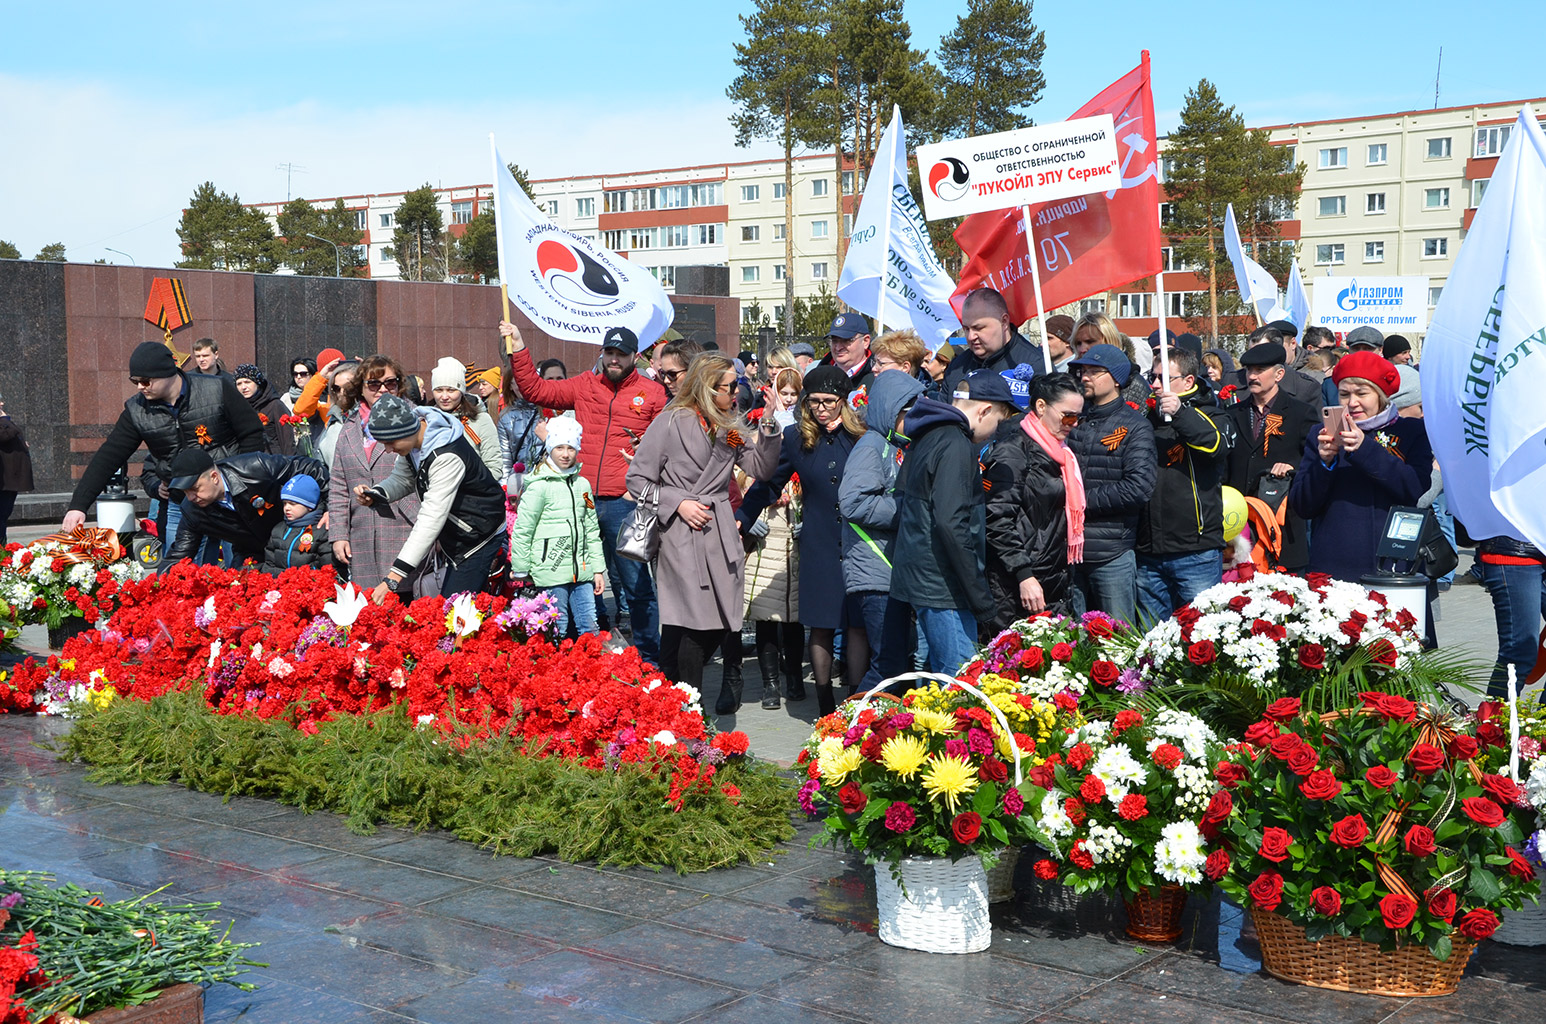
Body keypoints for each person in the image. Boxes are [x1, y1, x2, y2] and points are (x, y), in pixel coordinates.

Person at [502, 320, 667, 666]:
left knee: (637, 588)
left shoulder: (653, 394)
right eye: (609, 352)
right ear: (602, 353)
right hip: (581, 503)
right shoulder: (585, 384)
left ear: (634, 357)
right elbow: (535, 390)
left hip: (626, 505)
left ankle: (651, 662)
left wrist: (639, 488)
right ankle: (582, 658)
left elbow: (666, 449)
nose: (614, 359)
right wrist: (518, 345)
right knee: (573, 582)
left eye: (621, 353)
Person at [625, 354, 783, 704]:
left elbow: (760, 467)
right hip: (681, 534)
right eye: (730, 387)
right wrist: (678, 502)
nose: (736, 393)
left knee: (719, 618)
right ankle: (688, 709)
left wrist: (769, 425)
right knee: (693, 622)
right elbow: (636, 479)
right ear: (710, 389)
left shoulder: (728, 426)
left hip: (721, 531)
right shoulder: (669, 422)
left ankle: (669, 698)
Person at [739, 366, 866, 714]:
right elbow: (768, 483)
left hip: (857, 542)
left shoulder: (861, 436)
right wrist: (743, 519)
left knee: (856, 625)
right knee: (822, 624)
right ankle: (825, 705)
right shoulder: (795, 437)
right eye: (814, 403)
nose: (821, 409)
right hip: (818, 541)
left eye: (828, 402)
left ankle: (855, 702)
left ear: (844, 401)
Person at [63, 342, 265, 545]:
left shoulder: (216, 388)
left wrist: (241, 481)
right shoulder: (137, 410)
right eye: (135, 381)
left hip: (228, 496)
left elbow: (252, 433)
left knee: (239, 569)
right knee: (178, 572)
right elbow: (108, 457)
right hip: (182, 500)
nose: (140, 387)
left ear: (168, 374)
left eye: (145, 381)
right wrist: (78, 505)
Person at [892, 371, 1011, 672]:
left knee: (938, 677)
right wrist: (979, 597)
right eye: (998, 421)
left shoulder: (930, 432)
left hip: (926, 576)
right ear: (984, 410)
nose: (996, 432)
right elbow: (950, 522)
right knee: (959, 679)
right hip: (943, 583)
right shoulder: (956, 444)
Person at [1288, 351, 1431, 582]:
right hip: (1335, 566)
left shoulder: (1411, 431)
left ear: (1381, 396)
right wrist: (1324, 464)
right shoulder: (1322, 434)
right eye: (1344, 394)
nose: (1352, 403)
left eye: (1362, 393)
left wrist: (1365, 449)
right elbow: (1303, 505)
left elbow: (1414, 488)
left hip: (1394, 563)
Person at [357, 394, 509, 601]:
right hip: (459, 534)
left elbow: (431, 518)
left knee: (455, 614)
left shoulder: (446, 455)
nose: (388, 450)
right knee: (461, 613)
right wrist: (377, 494)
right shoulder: (415, 442)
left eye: (390, 442)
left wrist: (394, 577)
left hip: (479, 536)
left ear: (407, 431)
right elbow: (403, 479)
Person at [838, 367, 926, 691]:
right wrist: (906, 509)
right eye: (909, 412)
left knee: (897, 660)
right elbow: (852, 502)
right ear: (890, 410)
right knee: (886, 665)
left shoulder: (895, 446)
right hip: (874, 572)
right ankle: (845, 733)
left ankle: (882, 734)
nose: (915, 419)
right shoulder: (871, 447)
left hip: (889, 571)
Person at [981, 371, 1084, 631]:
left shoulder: (1061, 453)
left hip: (1053, 580)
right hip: (1016, 585)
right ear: (1040, 407)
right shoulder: (1013, 452)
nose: (1073, 424)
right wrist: (1024, 575)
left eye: (1078, 417)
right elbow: (996, 520)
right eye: (1068, 416)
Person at [1064, 344, 1156, 624]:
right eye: (1083, 371)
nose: (1085, 377)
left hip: (1111, 552)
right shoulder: (1072, 421)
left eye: (1094, 371)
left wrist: (1080, 501)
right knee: (1071, 642)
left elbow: (1139, 487)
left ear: (1116, 378)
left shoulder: (1135, 426)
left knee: (1118, 639)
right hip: (1069, 552)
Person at [1136, 347, 1226, 623]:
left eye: (1164, 378)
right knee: (1151, 637)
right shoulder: (1145, 419)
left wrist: (1181, 413)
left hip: (1195, 550)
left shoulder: (1210, 410)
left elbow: (1216, 446)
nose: (1154, 385)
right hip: (1148, 551)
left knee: (1202, 632)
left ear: (1188, 381)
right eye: (1153, 377)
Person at [328, 356, 427, 595]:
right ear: (361, 388)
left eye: (390, 383)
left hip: (405, 525)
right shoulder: (349, 427)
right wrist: (339, 534)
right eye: (374, 384)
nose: (382, 389)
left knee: (409, 604)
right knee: (371, 608)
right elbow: (339, 485)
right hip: (362, 533)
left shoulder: (416, 418)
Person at [741, 369, 806, 708]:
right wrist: (748, 519)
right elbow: (745, 475)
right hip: (767, 524)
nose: (789, 399)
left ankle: (794, 675)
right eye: (783, 393)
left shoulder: (806, 432)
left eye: (795, 393)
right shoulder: (759, 430)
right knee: (766, 612)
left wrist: (808, 519)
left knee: (794, 614)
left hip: (794, 525)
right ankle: (769, 684)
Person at [1222, 341, 1318, 571]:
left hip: (1283, 523)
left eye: (1259, 370)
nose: (1252, 376)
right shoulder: (1233, 413)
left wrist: (1292, 467)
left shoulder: (1301, 413)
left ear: (1279, 374)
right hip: (1241, 525)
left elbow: (1315, 462)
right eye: (1249, 370)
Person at [510, 418, 606, 637]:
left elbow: (591, 528)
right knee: (556, 629)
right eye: (559, 447)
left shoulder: (583, 486)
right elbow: (523, 529)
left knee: (589, 627)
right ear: (550, 447)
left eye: (571, 448)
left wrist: (598, 569)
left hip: (582, 572)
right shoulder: (539, 486)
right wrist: (522, 567)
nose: (565, 454)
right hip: (550, 571)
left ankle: (589, 669)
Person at [164, 447, 329, 566]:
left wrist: (332, 508)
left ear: (214, 477)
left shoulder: (255, 467)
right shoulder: (192, 510)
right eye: (185, 492)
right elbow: (178, 556)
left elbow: (311, 468)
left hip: (293, 539)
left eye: (194, 489)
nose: (190, 497)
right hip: (250, 555)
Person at [944, 288, 1043, 393]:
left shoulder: (1036, 365)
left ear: (1004, 321)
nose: (970, 336)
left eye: (978, 328)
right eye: (966, 329)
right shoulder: (957, 366)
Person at [430, 357, 502, 480]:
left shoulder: (480, 419)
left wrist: (471, 490)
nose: (444, 396)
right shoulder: (426, 421)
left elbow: (494, 467)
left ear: (461, 391)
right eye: (439, 390)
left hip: (472, 495)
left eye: (451, 390)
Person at [262, 474, 332, 574]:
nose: (287, 508)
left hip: (309, 587)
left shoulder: (321, 531)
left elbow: (329, 569)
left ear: (309, 506)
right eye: (285, 503)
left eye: (293, 504)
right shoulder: (278, 530)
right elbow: (269, 564)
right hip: (279, 586)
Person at [233, 364, 293, 455]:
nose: (243, 387)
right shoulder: (237, 408)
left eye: (247, 382)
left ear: (257, 383)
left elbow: (287, 440)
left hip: (274, 462)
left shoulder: (275, 405)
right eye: (239, 384)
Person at [0, 394, 34, 546]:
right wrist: (4, 418)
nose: (2, 403)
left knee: (4, 514)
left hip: (10, 478)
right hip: (6, 479)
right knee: (2, 515)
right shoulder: (3, 421)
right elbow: (4, 435)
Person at [870, 328, 940, 401]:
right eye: (875, 362)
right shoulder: (874, 390)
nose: (874, 368)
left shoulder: (929, 402)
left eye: (881, 363)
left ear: (905, 367)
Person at [819, 312, 875, 386]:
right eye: (834, 341)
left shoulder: (877, 378)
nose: (838, 347)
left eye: (846, 340)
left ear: (865, 341)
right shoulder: (819, 377)